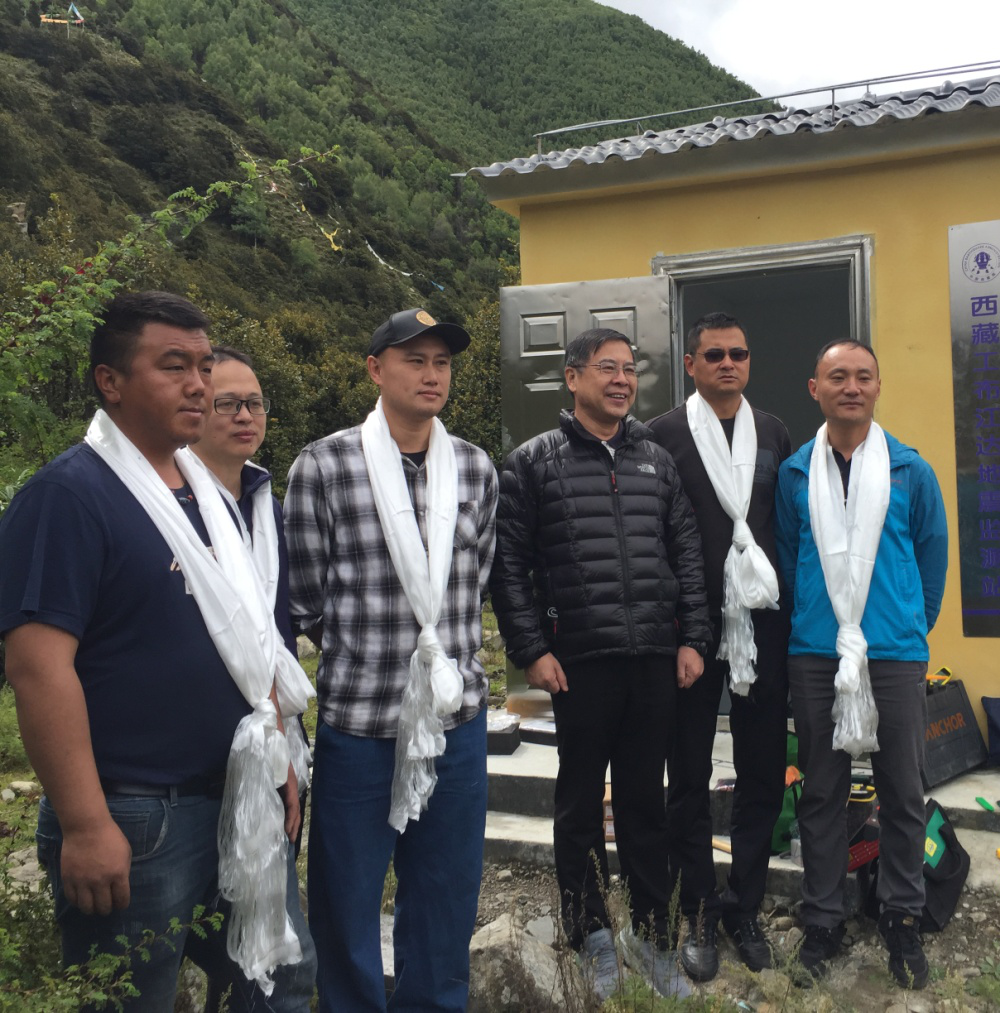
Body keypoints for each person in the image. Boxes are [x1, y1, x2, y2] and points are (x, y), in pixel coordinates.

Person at [0, 291, 315, 1011]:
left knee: (281, 979)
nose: (198, 384)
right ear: (110, 381)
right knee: (131, 998)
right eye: (174, 366)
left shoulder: (211, 496)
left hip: (239, 795)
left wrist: (277, 756)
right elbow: (37, 667)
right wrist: (85, 824)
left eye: (203, 366)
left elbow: (252, 637)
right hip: (138, 816)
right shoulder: (69, 496)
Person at [284, 308, 497, 1013]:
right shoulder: (325, 465)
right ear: (376, 369)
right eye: (415, 360)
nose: (432, 374)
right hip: (361, 722)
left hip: (455, 721)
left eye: (442, 362)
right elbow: (305, 597)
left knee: (445, 891)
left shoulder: (474, 466)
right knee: (346, 895)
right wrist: (377, 650)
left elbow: (474, 577)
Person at [490, 328, 712, 1001]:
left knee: (645, 803)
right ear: (572, 377)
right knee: (580, 804)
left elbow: (686, 554)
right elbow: (508, 566)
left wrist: (693, 638)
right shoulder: (533, 463)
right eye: (607, 368)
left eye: (629, 369)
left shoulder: (655, 460)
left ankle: (652, 935)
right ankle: (590, 932)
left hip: (652, 658)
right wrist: (531, 650)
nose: (621, 380)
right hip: (579, 661)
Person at [774, 339, 948, 990]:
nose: (851, 386)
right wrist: (818, 620)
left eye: (863, 376)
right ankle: (823, 917)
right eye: (838, 376)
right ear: (814, 388)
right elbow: (789, 558)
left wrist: (904, 624)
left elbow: (931, 558)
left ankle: (901, 915)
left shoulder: (910, 470)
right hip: (816, 653)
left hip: (894, 654)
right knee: (822, 791)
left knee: (902, 789)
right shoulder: (796, 474)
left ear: (878, 386)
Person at [645, 312, 792, 980]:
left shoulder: (774, 432)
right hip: (691, 630)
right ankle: (700, 906)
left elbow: (784, 524)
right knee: (689, 772)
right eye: (714, 355)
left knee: (762, 770)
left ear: (749, 361)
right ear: (690, 364)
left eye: (738, 353)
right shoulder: (662, 436)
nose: (727, 363)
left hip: (761, 626)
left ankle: (744, 904)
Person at [192, 345, 318, 1010]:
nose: (245, 415)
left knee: (276, 959)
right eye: (228, 403)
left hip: (271, 754)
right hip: (194, 766)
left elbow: (276, 636)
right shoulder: (173, 507)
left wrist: (284, 753)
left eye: (255, 403)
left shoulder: (270, 506)